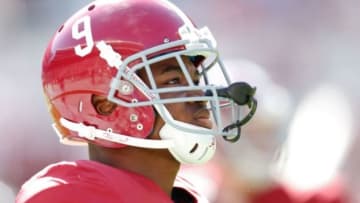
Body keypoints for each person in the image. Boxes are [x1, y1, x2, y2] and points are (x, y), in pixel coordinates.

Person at [15, 0, 257, 202]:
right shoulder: (70, 196)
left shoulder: (188, 194)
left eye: (194, 80)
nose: (200, 96)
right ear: (104, 106)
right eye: (173, 81)